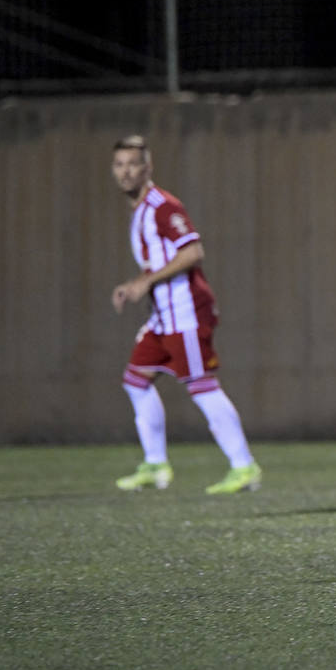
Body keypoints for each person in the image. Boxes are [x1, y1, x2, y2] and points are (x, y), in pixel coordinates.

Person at [109, 136, 262, 494]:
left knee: (201, 386)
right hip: (163, 317)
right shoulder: (140, 210)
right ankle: (156, 466)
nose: (125, 171)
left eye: (133, 164)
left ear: (148, 168)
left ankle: (244, 467)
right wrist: (138, 284)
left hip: (186, 313)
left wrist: (144, 283)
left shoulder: (163, 206)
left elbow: (192, 251)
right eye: (119, 165)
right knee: (135, 381)